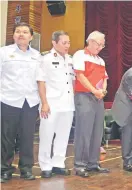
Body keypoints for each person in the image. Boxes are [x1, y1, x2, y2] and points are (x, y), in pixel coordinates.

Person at [1, 22, 41, 183]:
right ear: (13, 35)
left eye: (25, 32)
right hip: (8, 100)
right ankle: (4, 169)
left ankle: (26, 169)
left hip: (30, 102)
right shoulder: (4, 52)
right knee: (6, 137)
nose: (21, 34)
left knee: (27, 137)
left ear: (31, 37)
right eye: (18, 31)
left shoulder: (37, 56)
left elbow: (41, 80)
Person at [36, 31, 74, 178]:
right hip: (51, 104)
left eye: (69, 42)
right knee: (46, 135)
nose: (67, 46)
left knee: (63, 136)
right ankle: (45, 165)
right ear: (54, 43)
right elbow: (41, 82)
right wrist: (44, 103)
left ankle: (58, 163)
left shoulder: (70, 59)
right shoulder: (45, 58)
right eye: (64, 42)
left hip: (68, 104)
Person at [72, 31, 110, 177]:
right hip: (84, 96)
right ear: (90, 41)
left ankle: (93, 163)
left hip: (98, 97)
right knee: (84, 131)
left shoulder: (101, 60)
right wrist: (94, 90)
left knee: (97, 131)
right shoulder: (79, 55)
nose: (100, 47)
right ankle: (80, 165)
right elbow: (80, 76)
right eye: (98, 44)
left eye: (102, 45)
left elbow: (105, 78)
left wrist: (103, 91)